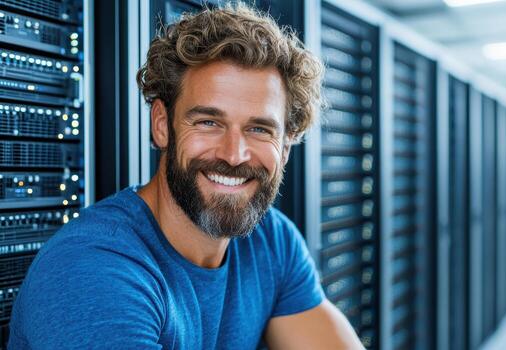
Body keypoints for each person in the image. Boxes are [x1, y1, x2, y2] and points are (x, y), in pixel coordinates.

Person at [8, 4, 363, 349]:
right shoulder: (91, 271)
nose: (234, 154)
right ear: (162, 125)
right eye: (209, 123)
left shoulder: (272, 242)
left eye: (259, 129)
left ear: (285, 147)